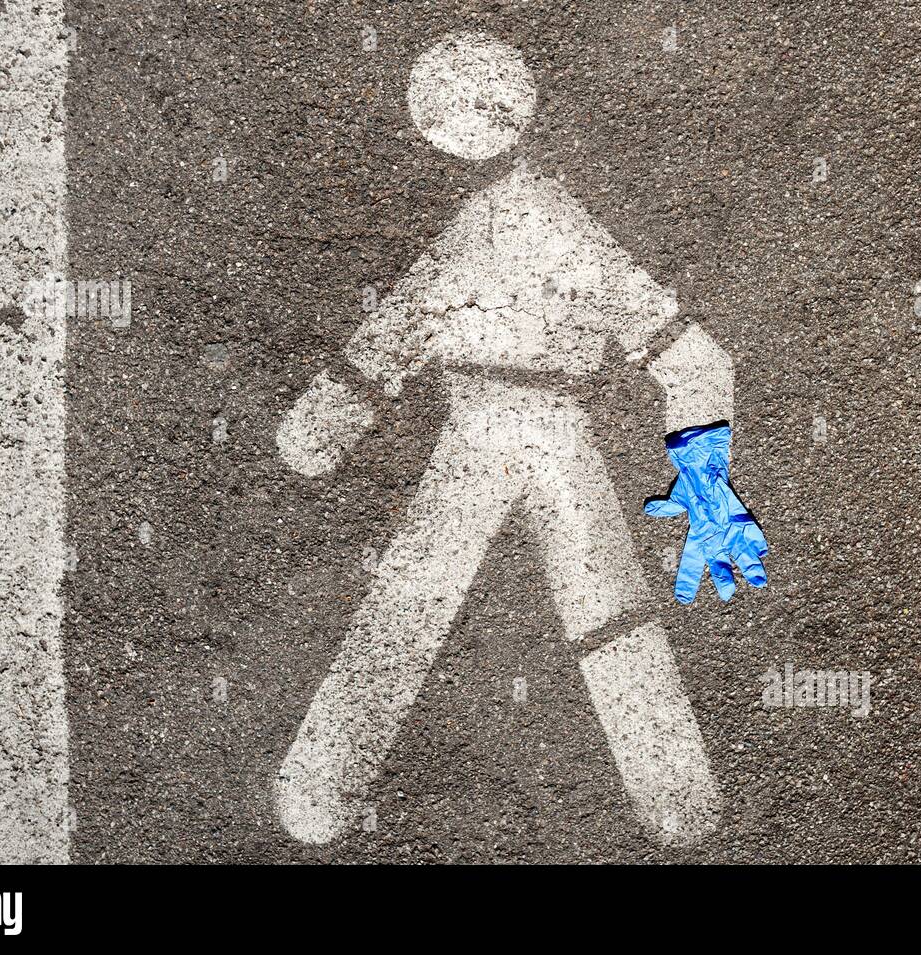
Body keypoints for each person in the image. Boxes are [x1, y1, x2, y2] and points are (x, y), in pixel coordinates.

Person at [275, 32, 742, 845]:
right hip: (542, 436)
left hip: (497, 433)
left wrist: (318, 429)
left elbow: (388, 341)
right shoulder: (549, 231)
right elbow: (695, 360)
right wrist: (706, 486)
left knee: (417, 601)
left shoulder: (504, 230)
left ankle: (322, 780)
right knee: (601, 612)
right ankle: (674, 792)